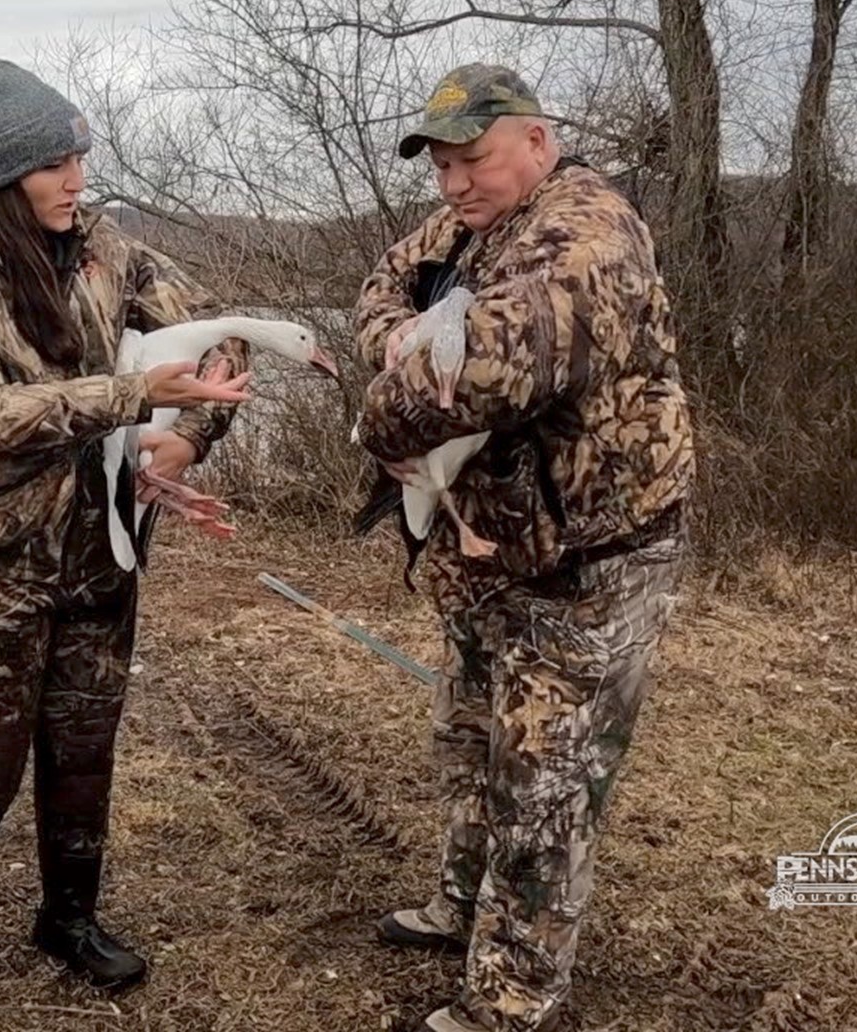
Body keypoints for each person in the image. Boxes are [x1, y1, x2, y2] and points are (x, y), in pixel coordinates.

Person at [0, 58, 252, 1021]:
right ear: (9, 175)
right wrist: (134, 396)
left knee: (85, 746)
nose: (77, 178)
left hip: (102, 552)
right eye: (56, 163)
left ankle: (68, 918)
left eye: (80, 156)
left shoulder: (108, 247)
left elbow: (218, 340)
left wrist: (186, 436)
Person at [353, 64, 695, 1032]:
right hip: (499, 549)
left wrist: (385, 407)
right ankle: (458, 907)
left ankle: (512, 999)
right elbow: (384, 285)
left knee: (541, 782)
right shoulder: (470, 225)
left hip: (595, 560)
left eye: (473, 159)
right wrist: (405, 336)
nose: (455, 184)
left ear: (537, 143)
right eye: (443, 166)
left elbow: (487, 371)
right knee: (466, 735)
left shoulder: (587, 234)